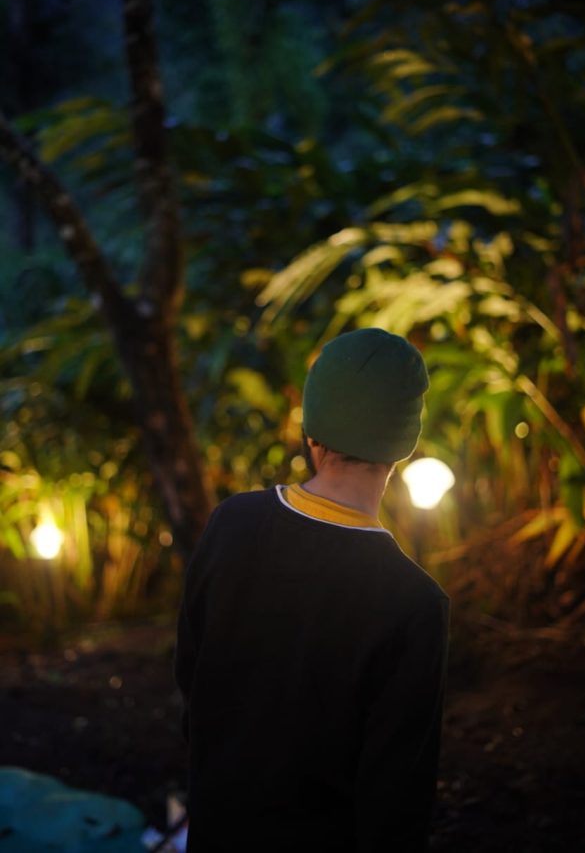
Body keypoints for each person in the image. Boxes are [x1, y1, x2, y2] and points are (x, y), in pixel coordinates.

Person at [175, 327, 450, 852]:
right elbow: (396, 798)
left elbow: (192, 679)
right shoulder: (414, 603)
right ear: (403, 446)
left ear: (312, 433)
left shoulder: (231, 524)